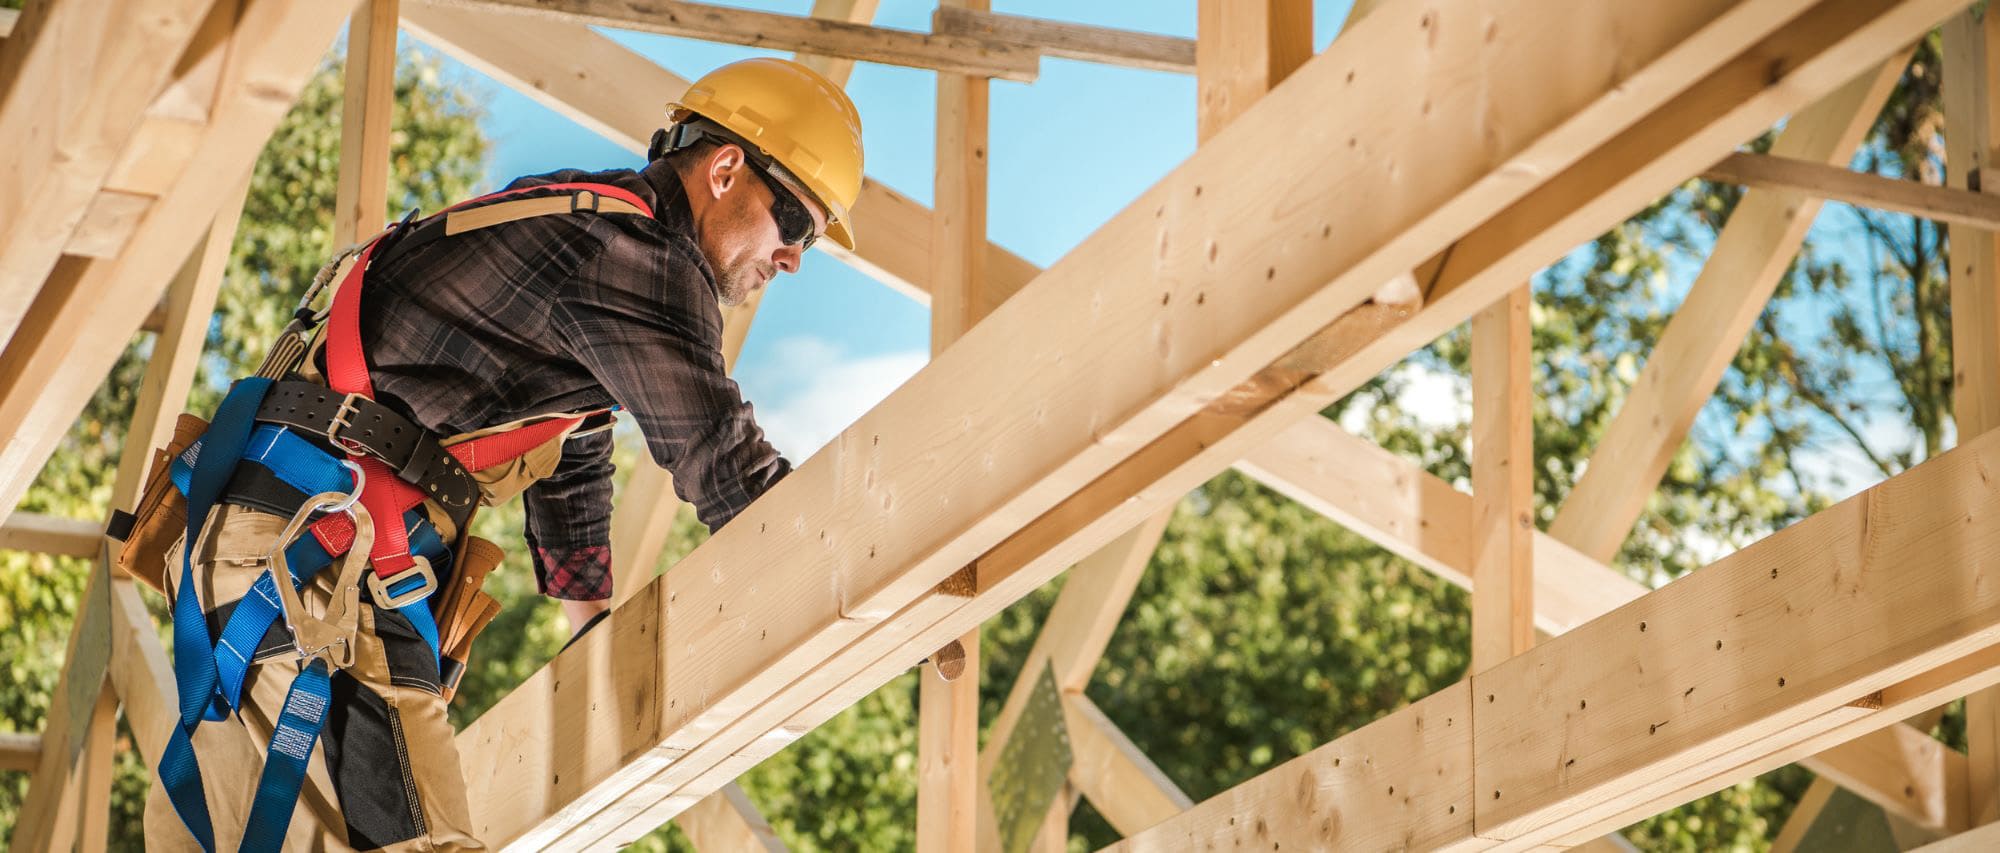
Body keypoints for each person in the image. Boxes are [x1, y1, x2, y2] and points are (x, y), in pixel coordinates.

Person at [142, 57, 863, 851]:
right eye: (794, 223)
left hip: (264, 557)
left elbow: (576, 447)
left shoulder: (583, 224)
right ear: (726, 168)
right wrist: (874, 569)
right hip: (315, 575)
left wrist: (591, 625)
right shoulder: (639, 256)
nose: (793, 257)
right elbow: (724, 462)